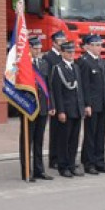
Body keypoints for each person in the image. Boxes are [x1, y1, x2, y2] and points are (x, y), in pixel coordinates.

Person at [20, 35, 53, 181]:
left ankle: (39, 169)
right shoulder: (23, 65)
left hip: (43, 107)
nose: (38, 50)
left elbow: (48, 86)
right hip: (29, 107)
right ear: (29, 49)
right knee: (27, 140)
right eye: (36, 48)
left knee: (39, 139)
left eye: (40, 47)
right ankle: (27, 170)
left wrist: (50, 105)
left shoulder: (43, 64)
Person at [50, 40, 84, 178]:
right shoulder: (58, 68)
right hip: (66, 110)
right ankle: (63, 166)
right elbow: (57, 92)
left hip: (76, 109)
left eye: (73, 52)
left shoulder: (76, 68)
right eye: (68, 52)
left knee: (74, 140)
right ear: (62, 53)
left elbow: (79, 90)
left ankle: (71, 164)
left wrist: (81, 107)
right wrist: (61, 111)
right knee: (64, 140)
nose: (71, 54)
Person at [77, 34, 105, 174]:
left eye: (100, 45)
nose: (99, 48)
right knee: (90, 134)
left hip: (101, 103)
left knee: (100, 134)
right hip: (92, 104)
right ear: (88, 46)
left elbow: (104, 85)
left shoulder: (100, 61)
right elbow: (84, 85)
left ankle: (99, 161)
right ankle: (89, 162)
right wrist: (87, 104)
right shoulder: (84, 61)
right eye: (96, 45)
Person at [43, 30, 65, 169]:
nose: (63, 43)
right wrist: (51, 102)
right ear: (54, 42)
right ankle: (54, 158)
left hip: (65, 97)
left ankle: (63, 156)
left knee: (64, 131)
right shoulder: (48, 58)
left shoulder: (64, 56)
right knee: (56, 130)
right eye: (61, 41)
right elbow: (48, 82)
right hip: (55, 97)